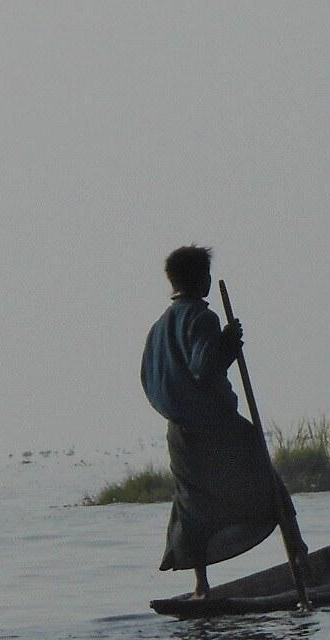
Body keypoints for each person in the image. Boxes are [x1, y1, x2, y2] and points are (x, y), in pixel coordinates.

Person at [141, 245, 288, 598]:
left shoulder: (159, 327)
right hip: (215, 429)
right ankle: (299, 553)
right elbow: (204, 367)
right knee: (265, 475)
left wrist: (226, 347)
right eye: (206, 275)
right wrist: (227, 344)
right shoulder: (201, 319)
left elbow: (152, 380)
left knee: (194, 504)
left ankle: (201, 586)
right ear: (201, 280)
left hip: (179, 434)